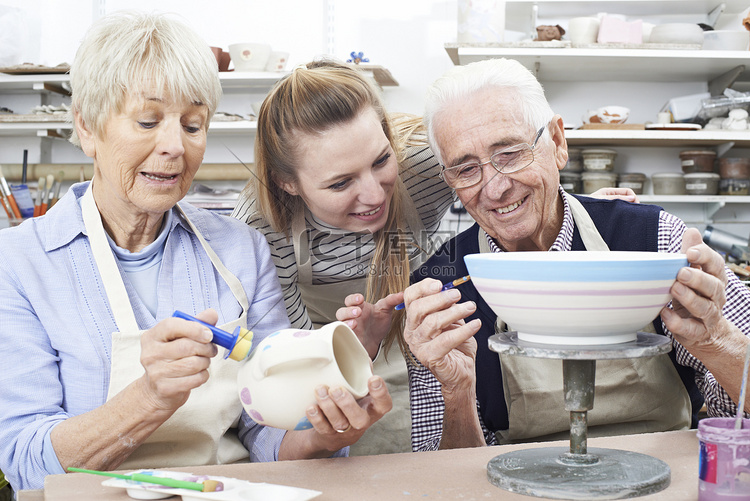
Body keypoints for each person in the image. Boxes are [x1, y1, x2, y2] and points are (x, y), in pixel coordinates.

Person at [0, 13, 391, 492]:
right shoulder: (19, 262)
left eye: (193, 124)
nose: (174, 147)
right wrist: (147, 399)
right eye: (147, 121)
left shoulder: (240, 249)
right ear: (86, 126)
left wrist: (321, 435)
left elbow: (264, 431)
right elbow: (24, 461)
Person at [341, 57, 750, 451]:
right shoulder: (440, 290)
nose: (496, 188)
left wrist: (719, 342)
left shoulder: (655, 239)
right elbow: (445, 473)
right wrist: (457, 391)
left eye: (510, 153)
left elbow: (740, 413)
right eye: (466, 169)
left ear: (556, 142)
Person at [231, 60, 638, 455]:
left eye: (380, 161)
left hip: (410, 316)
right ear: (289, 184)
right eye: (340, 183)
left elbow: (505, 174)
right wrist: (356, 350)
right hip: (323, 347)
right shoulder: (260, 234)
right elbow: (290, 368)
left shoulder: (425, 165)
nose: (375, 196)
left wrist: (582, 213)